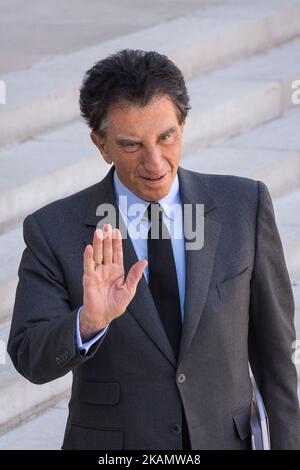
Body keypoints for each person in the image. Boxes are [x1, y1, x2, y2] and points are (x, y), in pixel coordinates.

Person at [8, 49, 300, 450]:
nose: (155, 163)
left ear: (183, 123)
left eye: (167, 137)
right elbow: (29, 357)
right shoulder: (53, 229)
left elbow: (275, 356)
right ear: (101, 144)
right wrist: (88, 323)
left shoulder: (243, 206)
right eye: (131, 145)